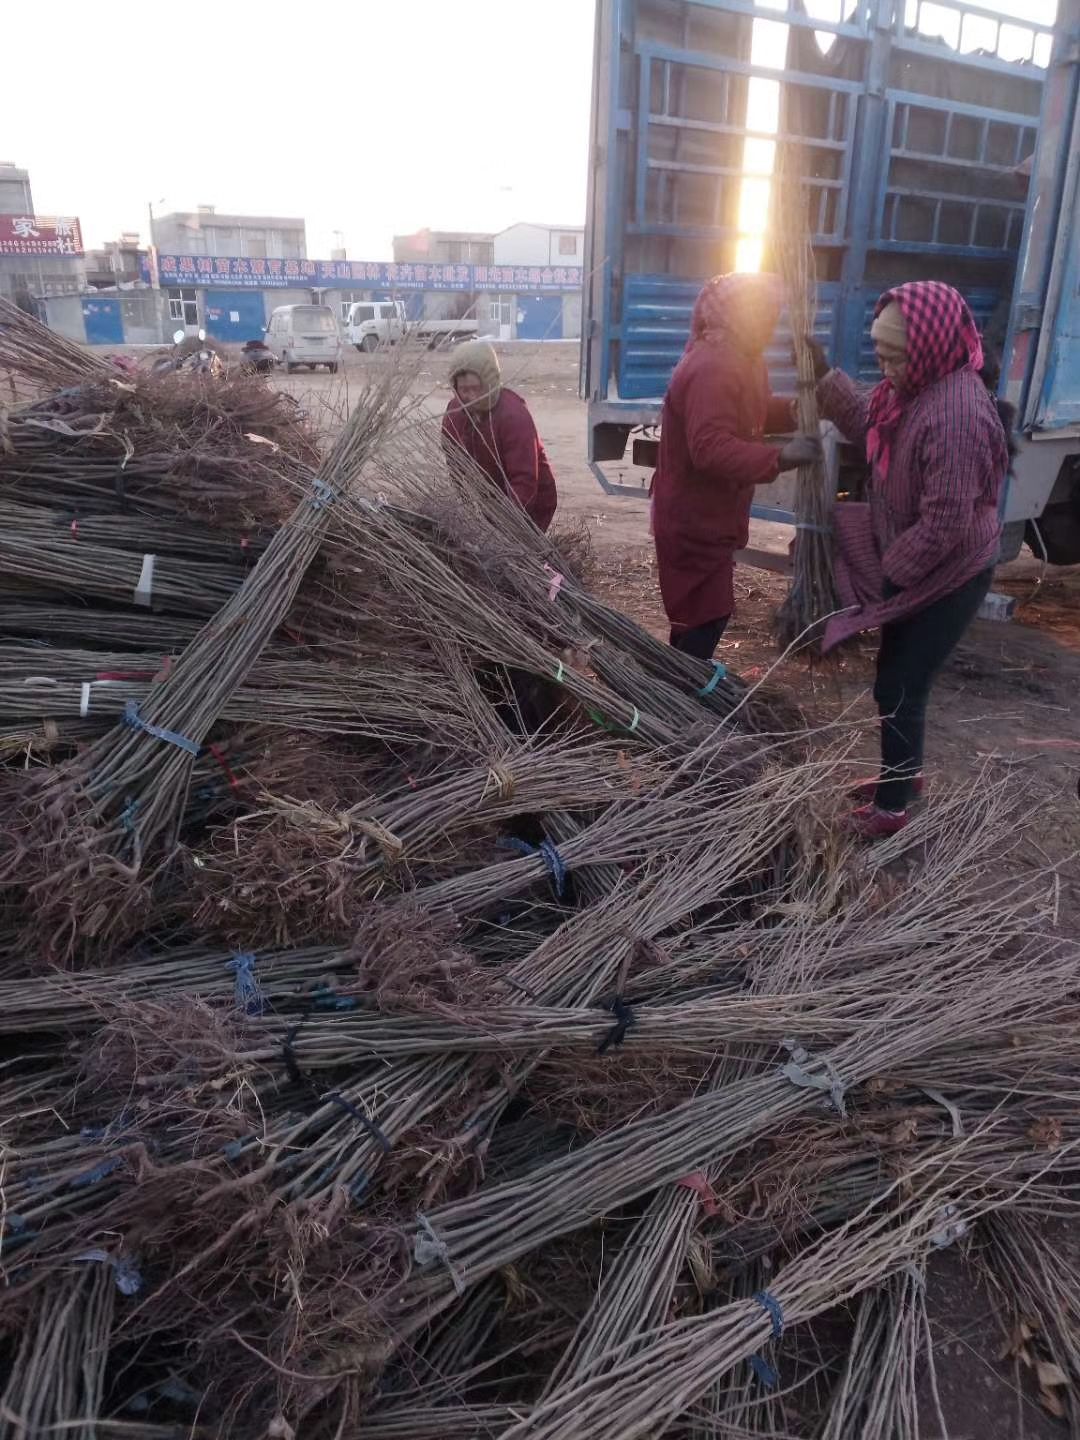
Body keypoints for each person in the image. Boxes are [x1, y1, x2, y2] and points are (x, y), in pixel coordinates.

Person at [809, 280, 1011, 838]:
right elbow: (869, 422)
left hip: (951, 571)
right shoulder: (914, 387)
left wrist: (891, 576)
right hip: (922, 563)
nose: (887, 366)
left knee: (901, 682)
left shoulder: (956, 414)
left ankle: (893, 810)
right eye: (881, 354)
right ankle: (904, 776)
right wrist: (827, 377)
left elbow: (944, 522)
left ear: (929, 343)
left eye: (896, 356)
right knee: (893, 680)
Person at [651, 272, 820, 660]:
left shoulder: (744, 357)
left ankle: (682, 687)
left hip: (709, 518)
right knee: (704, 617)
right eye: (762, 315)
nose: (769, 325)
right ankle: (683, 695)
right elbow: (709, 447)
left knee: (701, 617)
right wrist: (780, 458)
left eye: (772, 316)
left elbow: (748, 413)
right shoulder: (715, 364)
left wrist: (790, 411)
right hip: (693, 520)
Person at [441, 340, 558, 532]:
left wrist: (503, 524)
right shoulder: (454, 413)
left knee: (519, 551)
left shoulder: (514, 416)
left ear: (490, 382)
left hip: (532, 501)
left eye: (476, 388)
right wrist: (467, 508)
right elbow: (455, 464)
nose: (471, 396)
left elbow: (524, 481)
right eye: (464, 390)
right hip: (490, 496)